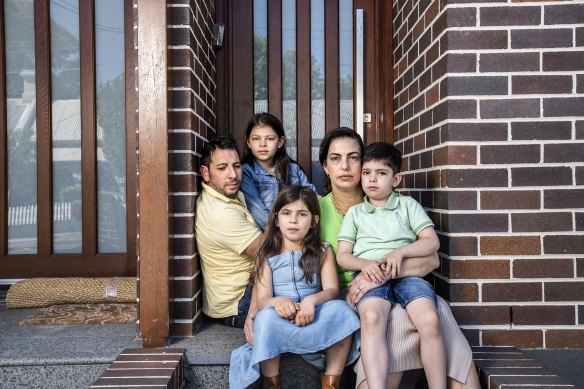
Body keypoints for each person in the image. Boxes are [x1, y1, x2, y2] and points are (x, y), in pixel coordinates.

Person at [318, 128, 481, 389]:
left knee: (436, 317)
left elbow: (432, 261)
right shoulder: (315, 210)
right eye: (335, 158)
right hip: (356, 292)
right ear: (325, 166)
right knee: (386, 321)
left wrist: (383, 270)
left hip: (407, 283)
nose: (345, 166)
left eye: (353, 157)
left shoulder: (401, 204)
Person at [337, 142, 445, 389]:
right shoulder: (356, 213)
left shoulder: (407, 206)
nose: (372, 179)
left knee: (429, 320)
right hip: (371, 276)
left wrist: (401, 251)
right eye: (366, 173)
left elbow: (431, 242)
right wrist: (364, 264)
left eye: (381, 173)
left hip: (408, 274)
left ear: (396, 179)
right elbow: (343, 256)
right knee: (372, 316)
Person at [229, 185, 360, 389]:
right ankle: (272, 383)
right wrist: (278, 302)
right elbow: (263, 300)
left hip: (313, 314)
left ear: (314, 221)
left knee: (342, 311)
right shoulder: (267, 254)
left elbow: (332, 291)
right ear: (276, 219)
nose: (293, 220)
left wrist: (311, 301)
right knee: (265, 318)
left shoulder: (322, 251)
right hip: (281, 318)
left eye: (302, 214)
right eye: (286, 213)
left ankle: (331, 382)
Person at [195, 136, 262, 332]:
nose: (233, 174)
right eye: (222, 168)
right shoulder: (221, 214)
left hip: (247, 289)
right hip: (239, 304)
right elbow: (271, 250)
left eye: (237, 166)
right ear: (205, 173)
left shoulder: (224, 195)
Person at [240, 112, 317, 230]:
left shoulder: (293, 169)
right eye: (256, 139)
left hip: (299, 232)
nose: (262, 144)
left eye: (270, 139)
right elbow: (257, 211)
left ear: (280, 142)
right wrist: (282, 234)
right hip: (268, 237)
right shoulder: (246, 172)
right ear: (248, 142)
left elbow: (312, 200)